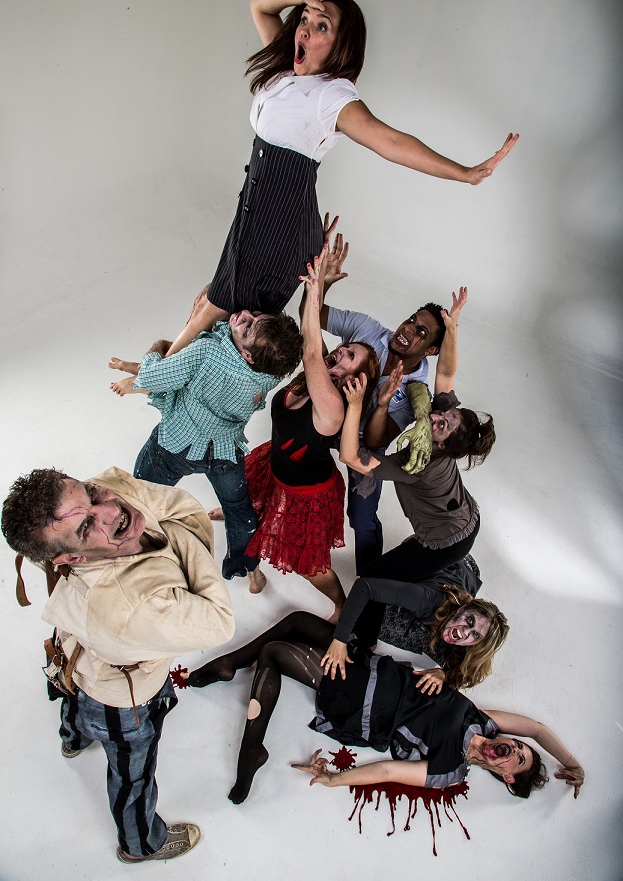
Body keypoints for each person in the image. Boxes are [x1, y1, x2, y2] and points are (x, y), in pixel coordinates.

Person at [163, 0, 518, 358]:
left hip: (278, 228)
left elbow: (391, 142)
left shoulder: (332, 97)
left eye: (322, 27)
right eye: (305, 19)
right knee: (217, 307)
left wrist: (464, 173)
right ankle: (174, 369)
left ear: (340, 46)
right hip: (260, 215)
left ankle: (154, 375)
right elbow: (259, 4)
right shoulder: (286, 70)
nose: (304, 30)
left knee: (215, 309)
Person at [1, 466, 235, 863]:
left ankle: (72, 740)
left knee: (71, 700)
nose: (113, 511)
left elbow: (126, 489)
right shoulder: (132, 608)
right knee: (132, 778)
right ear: (70, 557)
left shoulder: (96, 497)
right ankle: (140, 845)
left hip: (75, 659)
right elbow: (219, 619)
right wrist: (173, 534)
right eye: (87, 527)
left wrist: (123, 517)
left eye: (91, 495)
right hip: (122, 704)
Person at [183, 612, 584, 804]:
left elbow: (390, 771)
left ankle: (251, 750)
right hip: (374, 667)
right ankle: (228, 664)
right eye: (520, 747)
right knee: (298, 620)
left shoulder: (449, 770)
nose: (515, 749)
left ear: (507, 777)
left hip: (361, 701)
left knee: (274, 652)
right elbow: (536, 728)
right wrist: (570, 761)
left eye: (517, 760)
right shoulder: (484, 722)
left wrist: (333, 780)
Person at [338, 287, 496, 648]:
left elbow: (352, 457)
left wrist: (358, 405)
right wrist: (452, 328)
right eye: (446, 415)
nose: (438, 418)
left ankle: (366, 639)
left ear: (444, 447)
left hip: (444, 543)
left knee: (374, 577)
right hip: (466, 516)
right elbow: (446, 376)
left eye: (444, 425)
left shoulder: (417, 462)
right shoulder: (436, 423)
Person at [107, 311, 303, 592]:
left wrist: (157, 348)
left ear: (248, 355)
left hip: (176, 444)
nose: (244, 316)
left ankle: (134, 556)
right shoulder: (271, 372)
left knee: (140, 497)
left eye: (248, 327)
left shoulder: (207, 351)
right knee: (240, 512)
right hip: (224, 452)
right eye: (254, 316)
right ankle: (249, 569)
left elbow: (151, 377)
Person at [239, 247, 380, 620]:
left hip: (307, 495)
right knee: (251, 495)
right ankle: (243, 512)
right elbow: (312, 339)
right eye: (343, 348)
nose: (339, 353)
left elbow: (312, 352)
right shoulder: (317, 379)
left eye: (350, 357)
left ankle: (341, 604)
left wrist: (315, 287)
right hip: (278, 462)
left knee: (308, 565)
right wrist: (318, 288)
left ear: (356, 379)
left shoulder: (333, 408)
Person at [312, 224, 448, 571]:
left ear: (431, 350)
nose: (408, 329)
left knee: (362, 516)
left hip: (362, 444)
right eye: (412, 320)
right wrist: (322, 283)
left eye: (421, 332)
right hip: (327, 418)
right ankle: (251, 512)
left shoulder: (417, 389)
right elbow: (310, 317)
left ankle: (369, 579)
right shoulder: (368, 328)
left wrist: (383, 402)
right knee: (286, 457)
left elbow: (375, 441)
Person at [322, 582, 509, 691]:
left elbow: (466, 676)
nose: (465, 632)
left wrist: (443, 675)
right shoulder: (428, 601)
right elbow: (365, 586)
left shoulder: (463, 649)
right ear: (462, 609)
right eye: (469, 620)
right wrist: (340, 639)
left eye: (475, 634)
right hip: (439, 573)